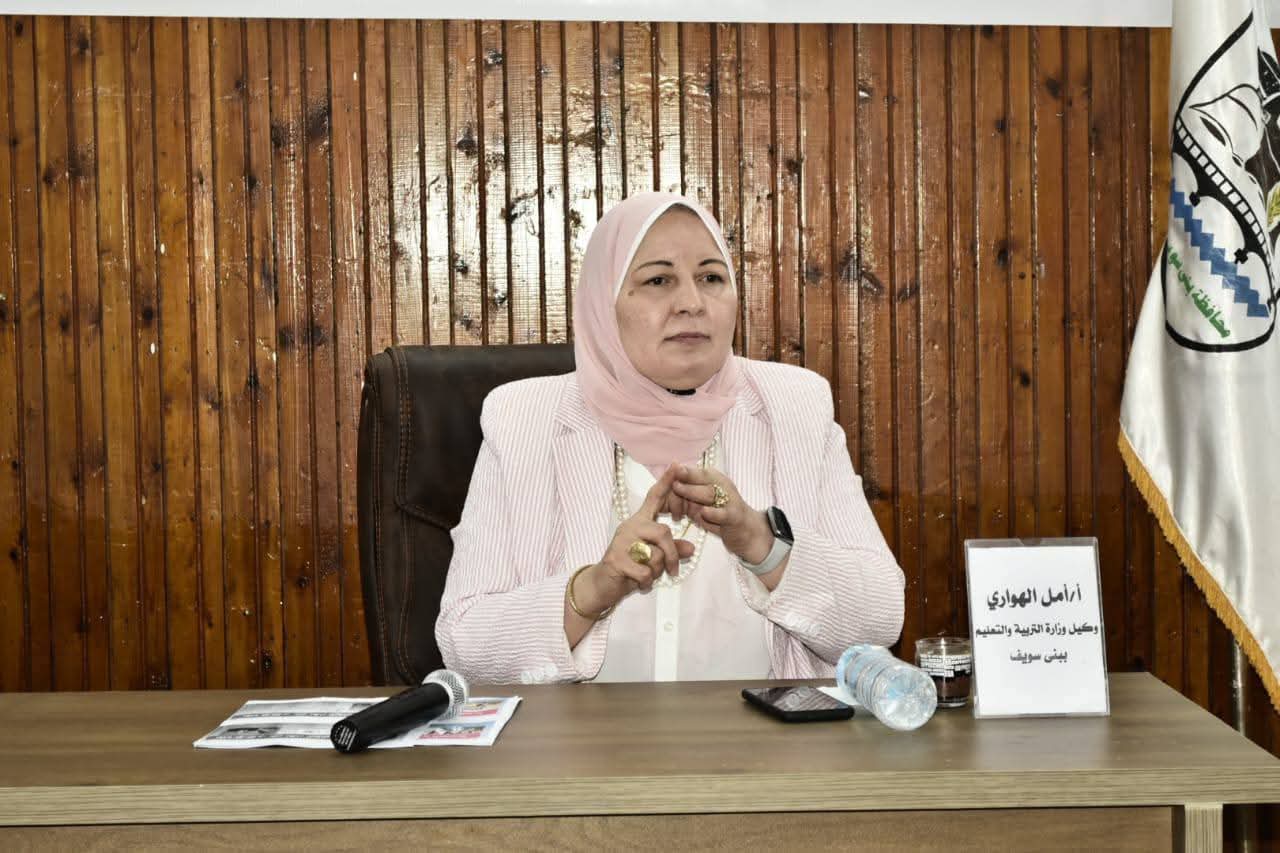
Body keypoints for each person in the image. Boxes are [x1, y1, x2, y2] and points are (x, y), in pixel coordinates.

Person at [436, 192, 904, 684]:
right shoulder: (525, 420)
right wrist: (595, 588)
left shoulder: (794, 408)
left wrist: (762, 543)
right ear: (603, 302)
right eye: (658, 280)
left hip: (762, 731)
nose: (691, 304)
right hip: (582, 733)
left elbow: (879, 621)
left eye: (711, 278)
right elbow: (464, 645)